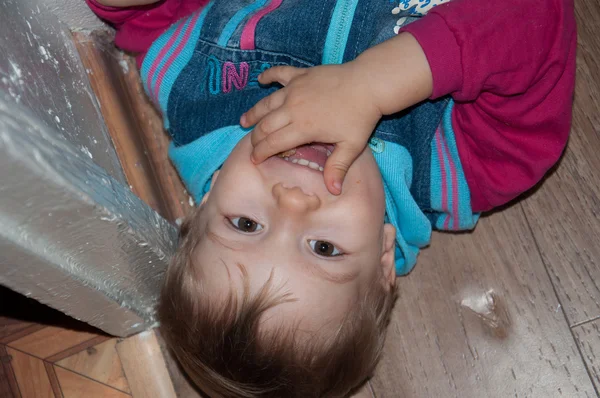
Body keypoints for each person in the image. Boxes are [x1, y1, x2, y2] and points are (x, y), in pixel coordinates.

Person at [87, 0, 576, 396]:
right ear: (384, 256)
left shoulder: (192, 93)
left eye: (246, 225)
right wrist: (374, 84)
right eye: (323, 248)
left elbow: (152, 20)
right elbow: (537, 19)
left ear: (210, 195)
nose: (292, 202)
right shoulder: (464, 165)